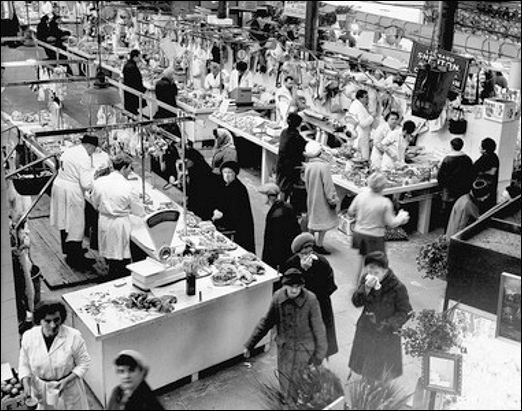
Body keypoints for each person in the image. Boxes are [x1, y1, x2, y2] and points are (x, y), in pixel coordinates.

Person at [243, 268, 327, 400]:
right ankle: (286, 399)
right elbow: (266, 322)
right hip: (285, 351)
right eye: (291, 286)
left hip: (304, 352)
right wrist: (250, 344)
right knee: (285, 382)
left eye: (298, 287)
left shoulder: (311, 300)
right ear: (285, 285)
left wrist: (319, 356)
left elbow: (319, 329)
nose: (294, 290)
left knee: (302, 385)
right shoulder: (278, 298)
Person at [349, 252, 412, 381]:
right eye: (369, 271)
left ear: (385, 271)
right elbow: (356, 302)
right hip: (366, 329)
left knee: (381, 371)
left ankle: (378, 391)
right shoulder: (366, 280)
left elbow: (405, 312)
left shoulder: (398, 288)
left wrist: (388, 324)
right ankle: (366, 388)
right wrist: (365, 289)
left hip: (385, 334)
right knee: (366, 367)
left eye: (376, 273)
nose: (372, 276)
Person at [18, 300, 91, 410]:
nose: (53, 325)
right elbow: (24, 364)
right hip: (40, 390)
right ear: (39, 321)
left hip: (69, 389)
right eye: (47, 321)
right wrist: (26, 384)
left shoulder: (73, 336)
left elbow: (84, 363)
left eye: (56, 320)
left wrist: (66, 381)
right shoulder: (29, 337)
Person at [283, 233, 338, 357]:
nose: (307, 257)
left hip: (319, 307)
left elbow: (330, 286)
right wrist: (303, 271)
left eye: (309, 252)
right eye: (303, 254)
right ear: (297, 253)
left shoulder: (322, 262)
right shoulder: (291, 264)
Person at [348, 172, 410, 283]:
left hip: (359, 234)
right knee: (377, 264)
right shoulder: (385, 202)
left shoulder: (361, 196)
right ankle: (368, 288)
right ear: (383, 186)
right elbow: (391, 223)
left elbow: (350, 212)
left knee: (363, 260)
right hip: (374, 237)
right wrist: (401, 217)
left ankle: (356, 284)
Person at [91, 154, 143, 281]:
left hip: (104, 220)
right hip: (120, 224)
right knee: (120, 257)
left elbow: (94, 202)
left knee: (109, 253)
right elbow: (138, 211)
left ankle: (111, 274)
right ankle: (120, 279)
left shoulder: (99, 182)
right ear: (124, 167)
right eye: (130, 168)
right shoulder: (129, 187)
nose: (131, 171)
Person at [50, 134, 98, 270]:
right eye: (93, 150)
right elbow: (86, 183)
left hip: (60, 185)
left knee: (65, 222)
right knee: (75, 225)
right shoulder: (84, 158)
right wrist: (95, 177)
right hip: (71, 190)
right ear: (90, 146)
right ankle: (76, 259)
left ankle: (69, 250)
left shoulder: (70, 150)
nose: (92, 153)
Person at [303, 141, 339, 255]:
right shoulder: (324, 167)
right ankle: (319, 244)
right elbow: (328, 186)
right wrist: (332, 199)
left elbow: (306, 182)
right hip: (322, 199)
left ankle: (310, 243)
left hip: (311, 196)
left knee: (312, 220)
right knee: (324, 222)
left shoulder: (308, 166)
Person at [212, 161, 256, 253]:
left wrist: (222, 215)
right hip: (224, 221)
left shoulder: (239, 189)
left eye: (230, 172)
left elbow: (238, 213)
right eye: (224, 172)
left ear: (235, 174)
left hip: (237, 227)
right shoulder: (223, 185)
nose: (227, 175)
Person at [260, 183, 301, 271]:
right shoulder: (285, 206)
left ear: (270, 197)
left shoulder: (276, 216)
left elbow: (274, 241)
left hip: (281, 254)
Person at [437, 138, 475, 230]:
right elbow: (471, 174)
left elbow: (441, 177)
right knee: (459, 213)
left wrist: (442, 187)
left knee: (448, 213)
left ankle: (447, 231)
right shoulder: (467, 159)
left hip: (450, 192)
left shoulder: (447, 159)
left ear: (451, 146)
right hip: (463, 191)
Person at [276, 113, 307, 202]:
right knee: (286, 188)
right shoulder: (296, 137)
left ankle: (281, 204)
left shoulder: (284, 132)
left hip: (281, 163)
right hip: (290, 167)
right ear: (298, 124)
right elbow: (305, 146)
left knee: (282, 185)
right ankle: (283, 205)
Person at [184, 148, 222, 221]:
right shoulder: (192, 170)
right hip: (196, 205)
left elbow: (201, 193)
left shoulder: (203, 173)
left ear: (193, 160)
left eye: (187, 160)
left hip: (203, 207)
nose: (184, 162)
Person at [473, 137, 500, 211]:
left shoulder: (484, 159)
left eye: (481, 147)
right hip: (491, 189)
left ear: (484, 150)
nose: (479, 148)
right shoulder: (494, 157)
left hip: (483, 189)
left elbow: (492, 172)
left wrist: (481, 172)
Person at [348, 89, 375, 161]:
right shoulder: (358, 107)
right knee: (360, 158)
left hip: (357, 133)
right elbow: (363, 124)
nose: (367, 99)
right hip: (361, 135)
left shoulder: (356, 104)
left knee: (356, 156)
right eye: (366, 97)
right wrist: (372, 117)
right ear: (360, 98)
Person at [123, 49, 147, 115]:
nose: (140, 58)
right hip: (133, 93)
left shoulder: (128, 65)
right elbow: (136, 81)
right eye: (139, 57)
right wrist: (143, 89)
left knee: (131, 110)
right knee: (133, 111)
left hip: (129, 93)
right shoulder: (132, 67)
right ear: (135, 57)